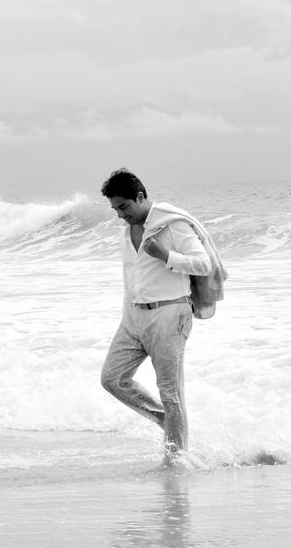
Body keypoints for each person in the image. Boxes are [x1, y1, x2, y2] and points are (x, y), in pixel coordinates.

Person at [99, 168, 212, 464]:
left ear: (139, 197)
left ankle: (176, 462)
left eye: (123, 207)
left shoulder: (171, 225)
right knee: (112, 379)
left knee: (171, 393)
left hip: (169, 313)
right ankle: (167, 421)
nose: (120, 215)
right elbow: (132, 276)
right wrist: (128, 315)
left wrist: (165, 256)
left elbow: (204, 264)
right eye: (115, 209)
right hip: (134, 317)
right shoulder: (127, 230)